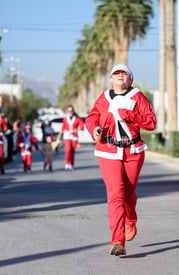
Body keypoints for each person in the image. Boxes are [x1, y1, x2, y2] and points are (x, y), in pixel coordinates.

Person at [85, 64, 156, 256]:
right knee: (116, 195)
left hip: (133, 150)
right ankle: (118, 241)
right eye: (116, 73)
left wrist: (131, 114)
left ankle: (130, 218)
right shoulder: (104, 97)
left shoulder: (137, 97)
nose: (120, 76)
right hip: (108, 150)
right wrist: (94, 130)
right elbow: (92, 118)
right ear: (111, 78)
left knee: (129, 193)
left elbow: (151, 122)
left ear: (130, 79)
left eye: (124, 73)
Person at [57, 105, 84, 171]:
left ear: (73, 111)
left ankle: (71, 164)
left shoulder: (77, 119)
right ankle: (67, 164)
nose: (70, 112)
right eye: (69, 111)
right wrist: (60, 134)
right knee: (68, 149)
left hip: (74, 136)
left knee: (72, 151)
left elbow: (82, 127)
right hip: (67, 135)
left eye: (71, 111)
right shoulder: (65, 118)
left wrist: (77, 129)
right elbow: (63, 127)